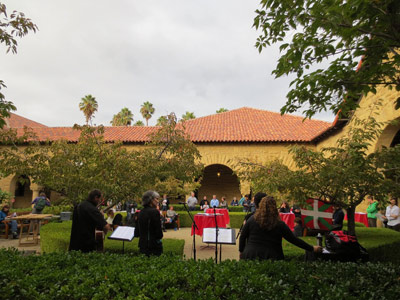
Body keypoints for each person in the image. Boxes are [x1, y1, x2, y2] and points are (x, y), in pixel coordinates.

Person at [239, 196, 322, 260]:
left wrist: (241, 251)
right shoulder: (279, 224)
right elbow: (293, 239)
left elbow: (243, 236)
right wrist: (311, 248)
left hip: (250, 255)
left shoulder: (252, 220)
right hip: (272, 256)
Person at [138, 190, 164, 256]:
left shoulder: (141, 212)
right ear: (151, 200)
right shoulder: (154, 212)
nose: (158, 201)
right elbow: (158, 231)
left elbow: (137, 232)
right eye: (157, 199)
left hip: (142, 244)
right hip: (153, 245)